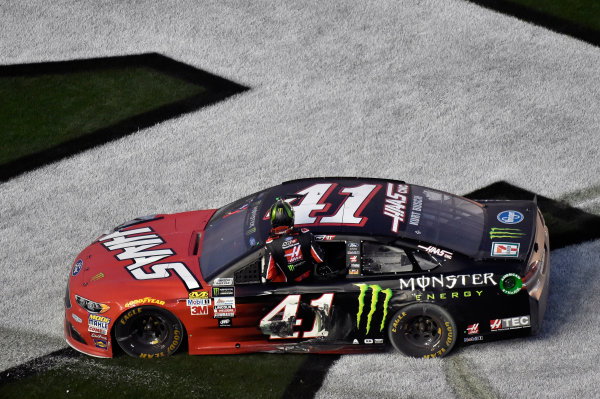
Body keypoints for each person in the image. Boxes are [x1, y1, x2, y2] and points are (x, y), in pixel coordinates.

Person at [264, 199, 327, 283]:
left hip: (289, 288)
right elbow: (319, 259)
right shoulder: (305, 233)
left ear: (272, 220)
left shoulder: (270, 244)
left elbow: (269, 275)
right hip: (309, 282)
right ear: (291, 218)